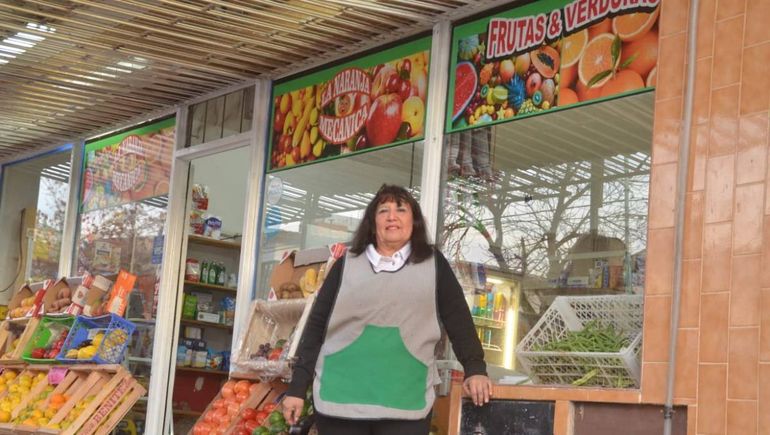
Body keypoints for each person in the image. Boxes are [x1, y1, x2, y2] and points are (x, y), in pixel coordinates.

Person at [282, 184, 492, 435]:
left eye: (401, 210)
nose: (392, 216)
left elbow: (458, 319)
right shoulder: (346, 264)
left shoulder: (434, 264)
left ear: (414, 221)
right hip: (341, 398)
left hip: (405, 399)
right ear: (373, 223)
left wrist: (475, 368)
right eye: (384, 211)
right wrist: (297, 387)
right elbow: (316, 326)